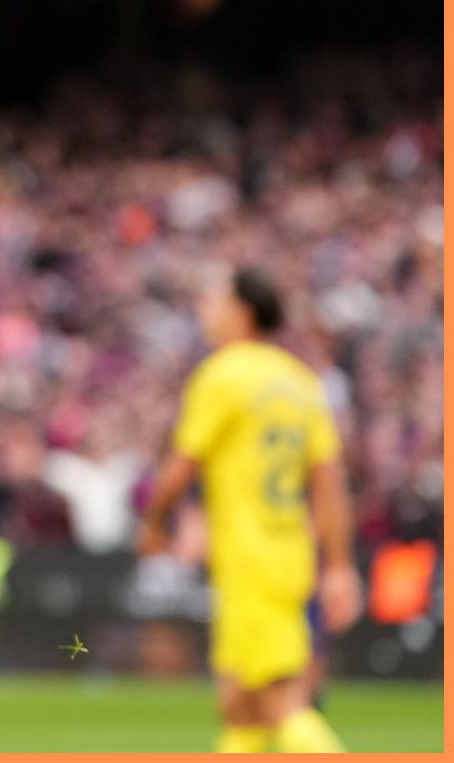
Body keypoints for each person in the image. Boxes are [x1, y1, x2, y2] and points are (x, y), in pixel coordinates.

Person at [139, 266, 361, 753]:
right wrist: (340, 565)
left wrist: (154, 522)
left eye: (214, 298)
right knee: (240, 705)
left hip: (250, 561)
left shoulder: (223, 375)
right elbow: (328, 484)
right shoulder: (302, 381)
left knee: (284, 702)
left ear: (241, 311)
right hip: (288, 557)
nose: (206, 307)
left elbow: (180, 468)